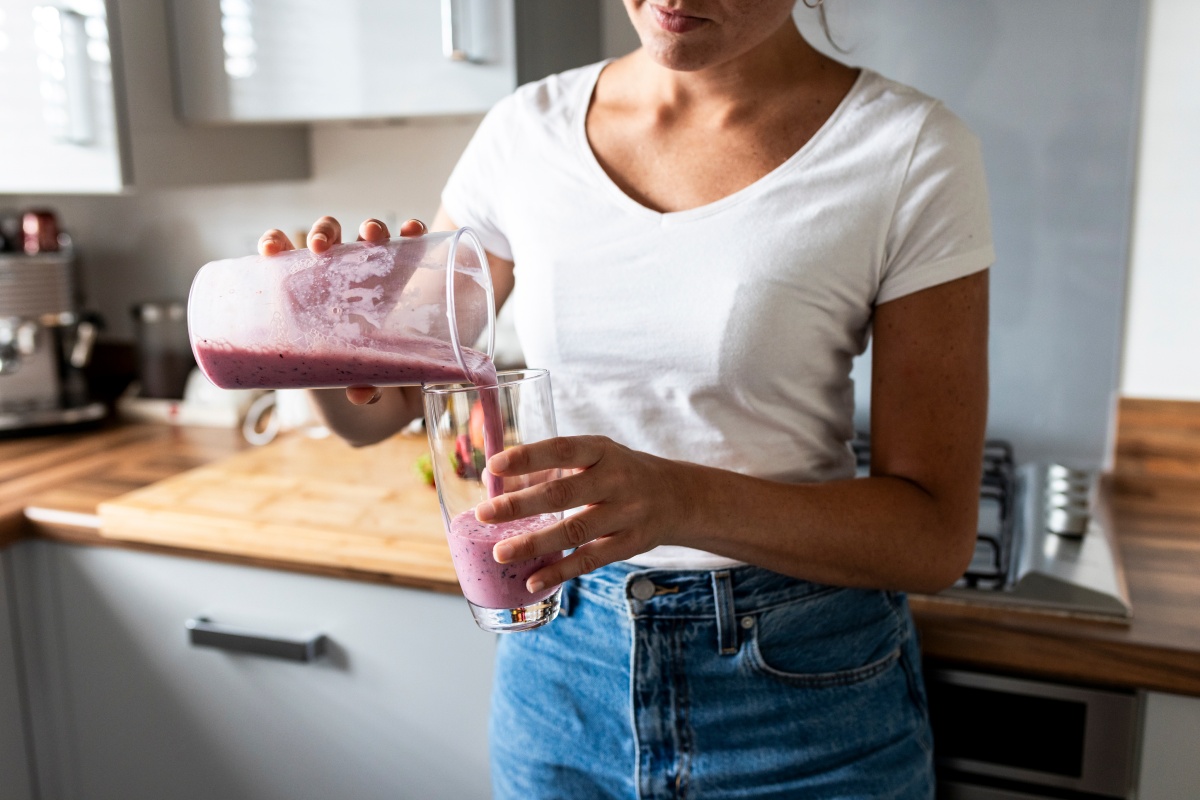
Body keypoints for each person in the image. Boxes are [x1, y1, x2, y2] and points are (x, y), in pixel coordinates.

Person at [260, 1, 992, 797]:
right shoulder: (524, 133)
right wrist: (322, 339)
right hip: (561, 673)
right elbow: (385, 409)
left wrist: (678, 497)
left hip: (801, 695)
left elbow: (933, 536)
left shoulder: (910, 149)